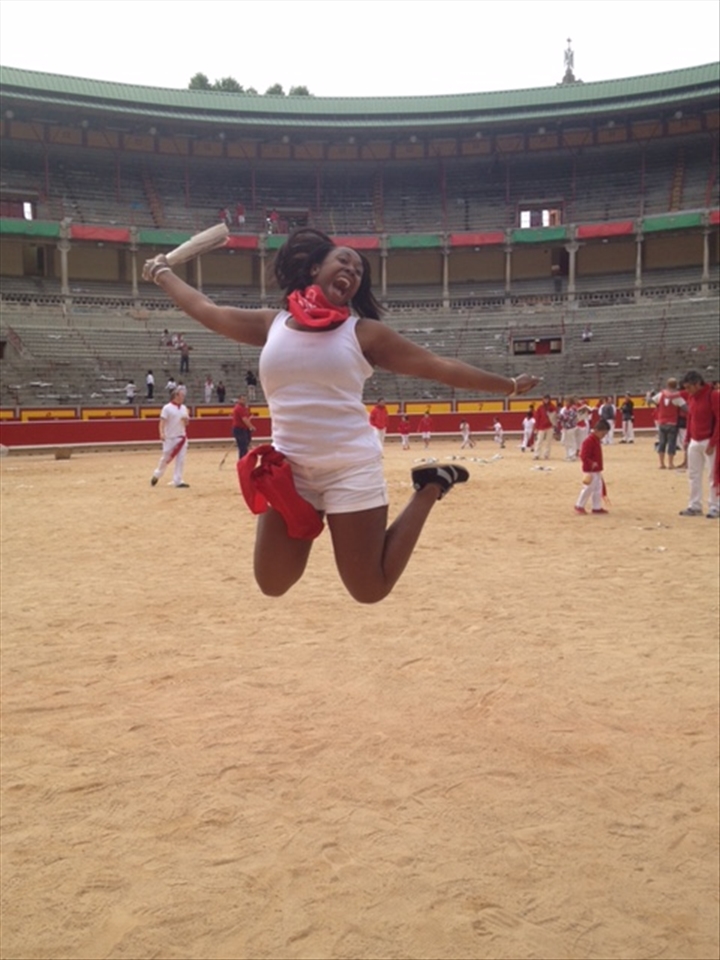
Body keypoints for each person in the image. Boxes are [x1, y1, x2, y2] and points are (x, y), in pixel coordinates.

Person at [142, 227, 539, 603]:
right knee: (272, 582)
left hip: (350, 468)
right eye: (344, 261)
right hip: (291, 469)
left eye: (358, 271)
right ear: (316, 268)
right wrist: (162, 274)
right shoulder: (272, 323)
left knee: (369, 588)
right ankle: (425, 486)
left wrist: (507, 385)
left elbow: (437, 366)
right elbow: (206, 309)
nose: (351, 270)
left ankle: (431, 486)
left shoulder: (363, 333)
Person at [678, 370, 719, 518]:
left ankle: (715, 506)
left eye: (688, 387)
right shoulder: (692, 397)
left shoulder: (713, 396)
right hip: (695, 440)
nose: (687, 391)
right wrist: (687, 438)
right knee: (693, 474)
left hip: (710, 440)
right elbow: (691, 418)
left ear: (697, 384)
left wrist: (713, 442)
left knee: (713, 475)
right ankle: (695, 505)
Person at [150, 385, 190, 488]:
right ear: (176, 395)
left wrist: (186, 421)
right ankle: (157, 474)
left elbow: (186, 423)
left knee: (180, 460)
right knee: (165, 458)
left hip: (181, 437)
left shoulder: (184, 408)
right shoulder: (166, 408)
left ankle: (178, 480)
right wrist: (161, 433)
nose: (183, 397)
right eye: (182, 395)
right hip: (170, 438)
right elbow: (162, 422)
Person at [574, 418, 611, 515]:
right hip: (590, 470)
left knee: (597, 488)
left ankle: (596, 507)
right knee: (588, 488)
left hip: (596, 469)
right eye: (603, 434)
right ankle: (579, 505)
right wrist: (591, 463)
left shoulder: (595, 440)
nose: (603, 436)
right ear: (596, 430)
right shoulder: (589, 441)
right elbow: (583, 455)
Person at [648, 377, 686, 469]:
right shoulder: (677, 397)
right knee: (671, 443)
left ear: (667, 385)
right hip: (672, 423)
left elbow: (650, 401)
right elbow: (686, 408)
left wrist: (648, 395)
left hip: (662, 422)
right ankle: (670, 464)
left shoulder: (661, 394)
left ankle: (661, 463)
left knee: (662, 443)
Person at [532, 395, 557, 460]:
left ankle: (546, 455)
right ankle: (536, 454)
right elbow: (537, 417)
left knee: (548, 441)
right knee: (539, 441)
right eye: (545, 399)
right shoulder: (540, 407)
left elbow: (555, 417)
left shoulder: (552, 407)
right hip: (541, 426)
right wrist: (536, 427)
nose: (546, 400)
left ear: (549, 399)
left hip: (549, 426)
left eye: (547, 399)